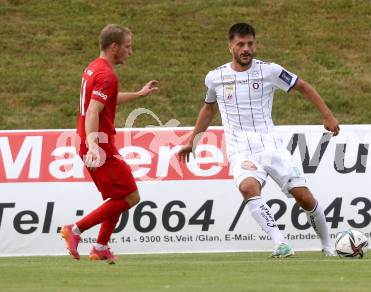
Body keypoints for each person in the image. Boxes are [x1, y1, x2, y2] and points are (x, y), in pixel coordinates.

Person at [178, 23, 340, 257]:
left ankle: (327, 245)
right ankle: (280, 243)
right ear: (230, 46)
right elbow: (209, 108)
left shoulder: (270, 71)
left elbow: (303, 87)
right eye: (240, 44)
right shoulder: (215, 78)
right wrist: (194, 141)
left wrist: (327, 115)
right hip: (240, 149)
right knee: (248, 188)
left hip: (271, 145)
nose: (246, 49)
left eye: (250, 44)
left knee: (303, 197)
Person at [61, 24, 158, 263]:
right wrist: (94, 146)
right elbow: (93, 111)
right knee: (131, 197)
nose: (130, 51)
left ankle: (101, 247)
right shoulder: (106, 75)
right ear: (114, 47)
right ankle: (75, 230)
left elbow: (105, 101)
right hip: (98, 145)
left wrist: (138, 94)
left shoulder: (94, 68)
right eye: (127, 46)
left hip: (93, 142)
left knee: (119, 196)